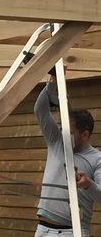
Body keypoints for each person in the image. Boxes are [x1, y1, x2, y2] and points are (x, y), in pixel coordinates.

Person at [34, 77, 101, 237]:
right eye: (63, 129)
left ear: (85, 134)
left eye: (70, 132)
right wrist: (53, 82)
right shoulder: (56, 140)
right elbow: (40, 109)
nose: (64, 134)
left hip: (73, 231)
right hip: (43, 229)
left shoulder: (97, 158)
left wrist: (88, 184)